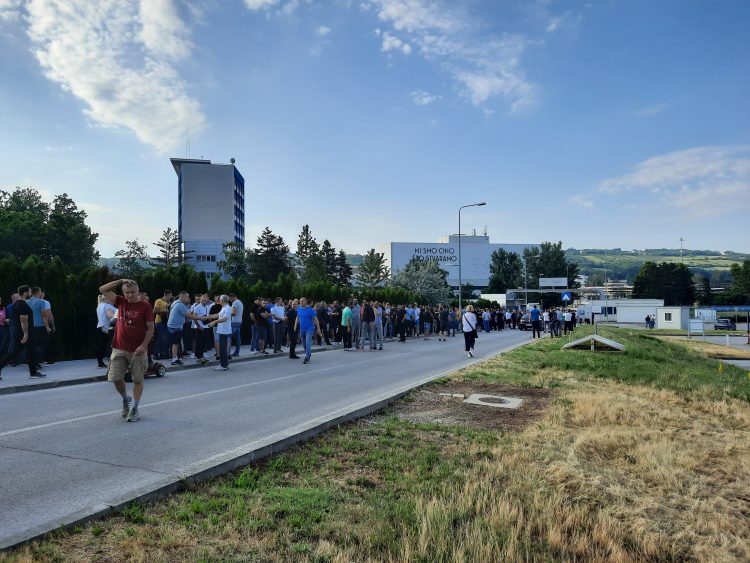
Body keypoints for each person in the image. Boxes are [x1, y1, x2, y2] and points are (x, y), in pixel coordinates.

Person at [99, 279, 154, 422]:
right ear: (123, 293)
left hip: (138, 350)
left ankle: (134, 408)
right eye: (127, 292)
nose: (130, 295)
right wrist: (120, 281)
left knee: (137, 379)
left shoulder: (145, 306)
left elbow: (151, 329)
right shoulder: (120, 302)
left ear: (138, 292)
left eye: (133, 292)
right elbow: (102, 289)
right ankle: (125, 399)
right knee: (115, 378)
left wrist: (144, 345)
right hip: (118, 348)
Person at [0, 285, 45, 379]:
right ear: (24, 293)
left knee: (30, 351)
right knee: (14, 352)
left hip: (22, 332)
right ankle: (33, 373)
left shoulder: (17, 303)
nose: (30, 293)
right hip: (24, 333)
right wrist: (26, 334)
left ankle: (33, 372)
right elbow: (23, 320)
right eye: (29, 292)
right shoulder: (22, 305)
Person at [294, 297, 322, 364]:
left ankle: (307, 357)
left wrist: (318, 328)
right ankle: (308, 353)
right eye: (300, 301)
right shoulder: (299, 309)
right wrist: (295, 326)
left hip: (309, 329)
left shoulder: (310, 310)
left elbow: (316, 319)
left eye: (302, 301)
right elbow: (297, 317)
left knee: (308, 343)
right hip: (302, 329)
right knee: (303, 344)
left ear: (306, 302)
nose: (300, 302)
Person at [208, 295, 232, 370]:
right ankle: (225, 364)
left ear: (223, 301)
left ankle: (223, 365)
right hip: (222, 330)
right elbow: (218, 315)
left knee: (222, 349)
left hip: (224, 331)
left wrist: (214, 321)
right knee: (222, 348)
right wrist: (208, 317)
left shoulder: (227, 308)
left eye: (220, 299)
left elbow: (225, 318)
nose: (219, 300)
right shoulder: (224, 307)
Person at [95, 294, 116, 367]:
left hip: (100, 326)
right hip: (107, 328)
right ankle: (111, 361)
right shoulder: (108, 306)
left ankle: (100, 362)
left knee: (101, 346)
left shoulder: (99, 306)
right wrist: (120, 317)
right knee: (111, 345)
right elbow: (110, 315)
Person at [152, 290, 172, 359]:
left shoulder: (167, 302)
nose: (170, 297)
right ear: (167, 295)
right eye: (170, 296)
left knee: (166, 338)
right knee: (161, 338)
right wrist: (166, 311)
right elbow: (154, 311)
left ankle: (164, 354)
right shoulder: (158, 301)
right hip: (159, 321)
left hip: (166, 321)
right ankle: (155, 354)